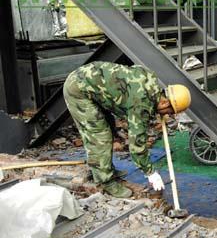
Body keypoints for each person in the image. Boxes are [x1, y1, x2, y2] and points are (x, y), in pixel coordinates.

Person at [63, 61, 191, 198]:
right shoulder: (141, 103)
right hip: (78, 90)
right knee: (99, 136)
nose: (167, 115)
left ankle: (106, 169)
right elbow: (136, 144)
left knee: (109, 125)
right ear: (165, 102)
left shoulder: (151, 81)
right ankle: (105, 181)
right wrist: (150, 172)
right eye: (169, 111)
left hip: (88, 82)